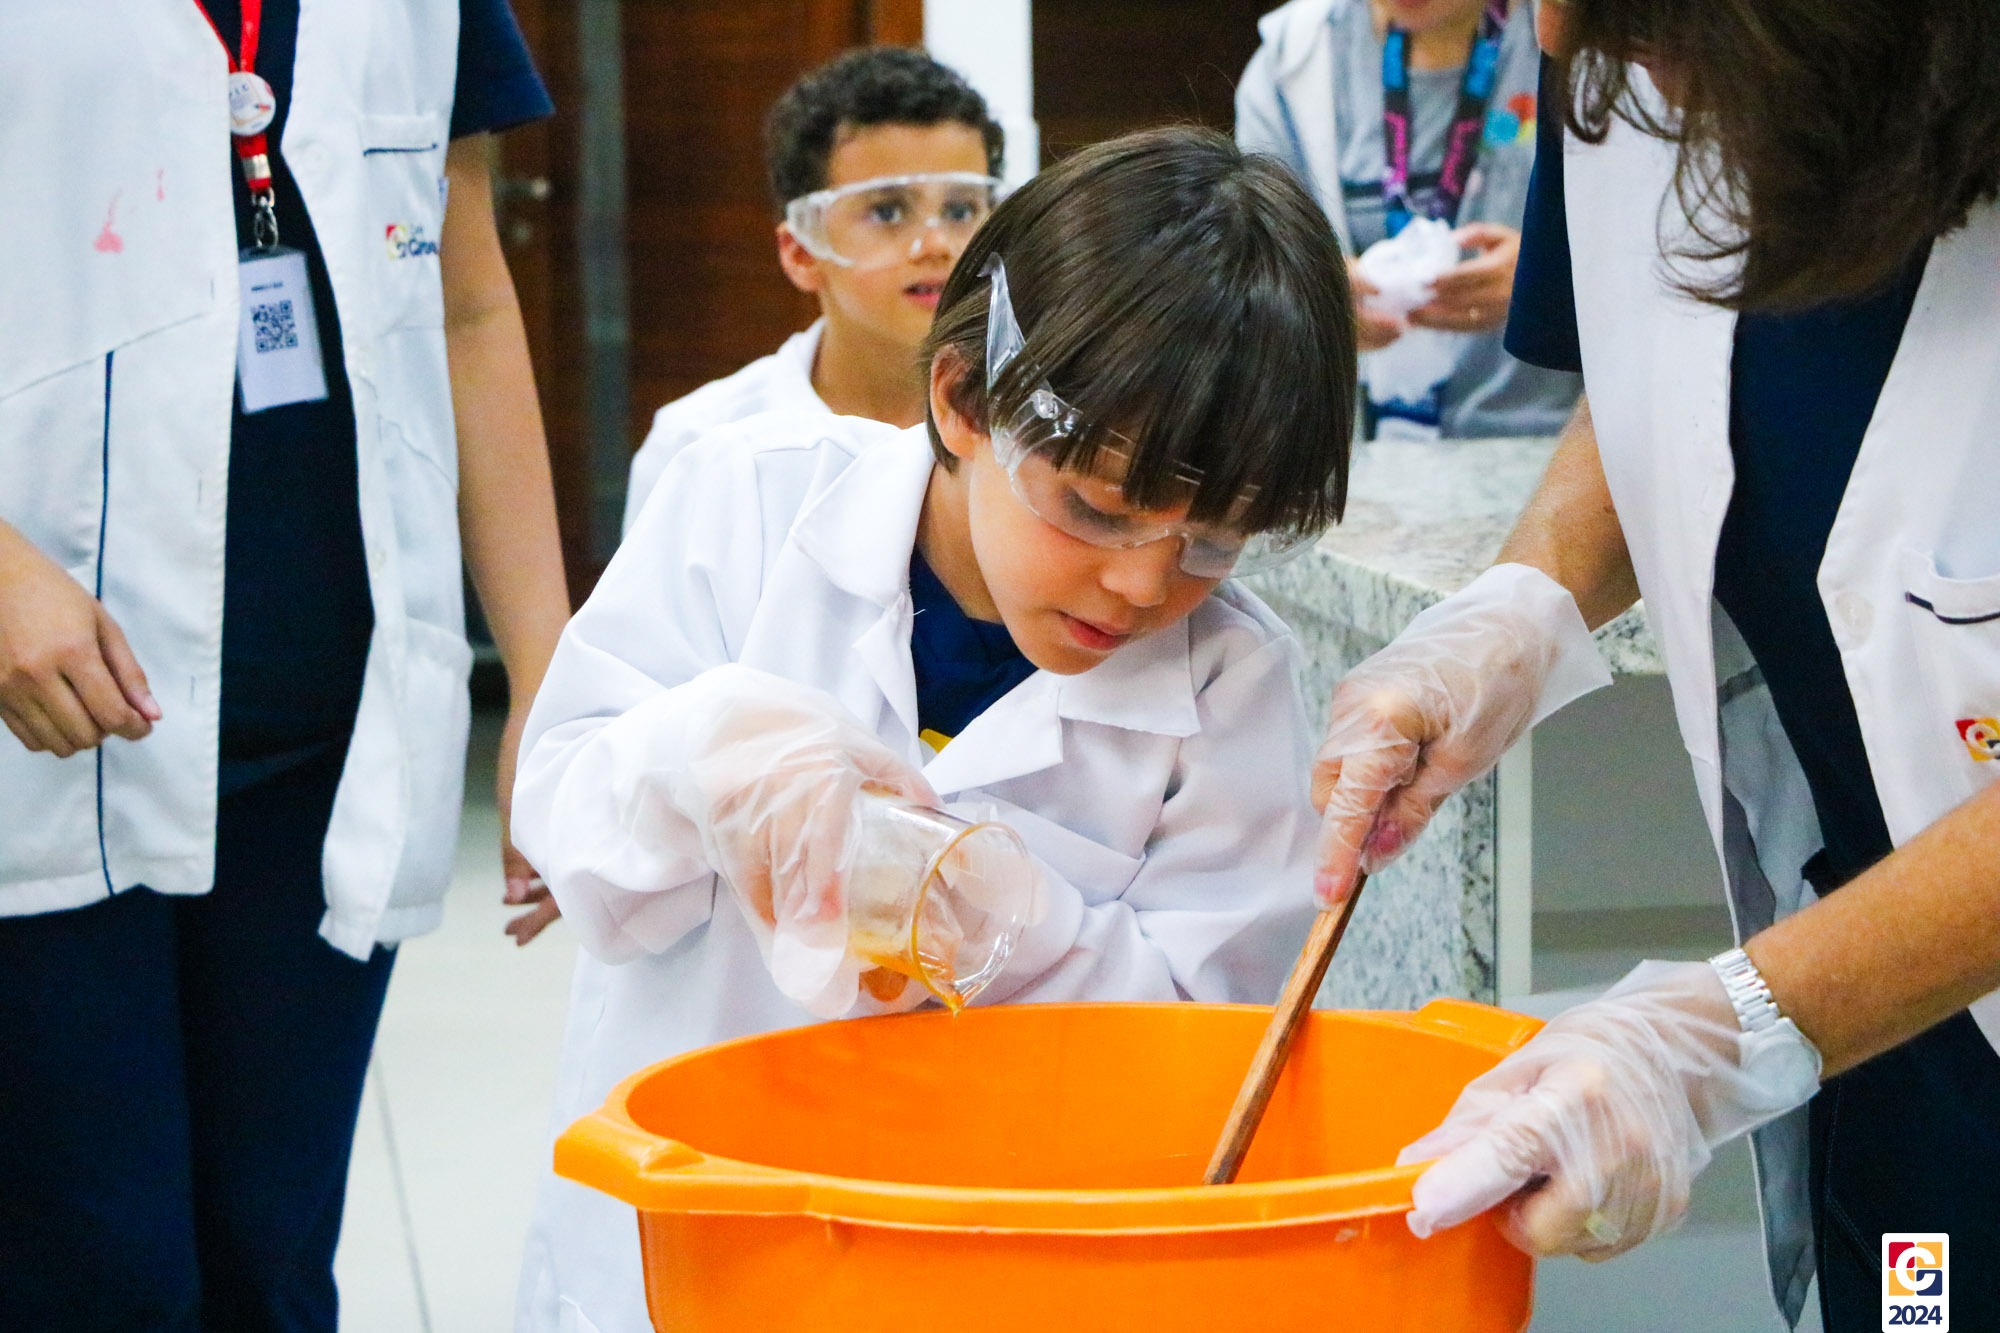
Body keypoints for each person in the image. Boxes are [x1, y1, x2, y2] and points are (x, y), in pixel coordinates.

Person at [510, 126, 1355, 1332]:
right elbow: (574, 847)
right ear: (963, 401)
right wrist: (697, 758)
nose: (1141, 585)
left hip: (997, 1271)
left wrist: (995, 919)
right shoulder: (745, 500)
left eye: (1211, 541)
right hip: (694, 1244)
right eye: (1096, 509)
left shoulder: (1228, 680)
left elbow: (1199, 1065)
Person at [1309, 2, 2000, 1328]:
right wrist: (1516, 609)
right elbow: (1661, 370)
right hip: (1889, 1005)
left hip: (1883, 961)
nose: (1554, 32)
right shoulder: (1608, 51)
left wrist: (1718, 1037)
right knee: (1918, 1298)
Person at [0, 2, 570, 1327]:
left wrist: (546, 668)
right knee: (94, 1271)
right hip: (47, 719)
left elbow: (468, 303)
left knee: (271, 1260)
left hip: (324, 727)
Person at [619, 46, 1005, 532]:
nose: (936, 246)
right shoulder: (700, 444)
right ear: (801, 252)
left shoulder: (1035, 421)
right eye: (887, 211)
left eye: (960, 211)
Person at [1236, 0, 1580, 439]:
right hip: (1358, 451)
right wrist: (1307, 300)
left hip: (1548, 439)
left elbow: (1657, 258)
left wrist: (1554, 283)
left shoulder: (1575, 38)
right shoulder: (1291, 61)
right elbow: (1244, 285)